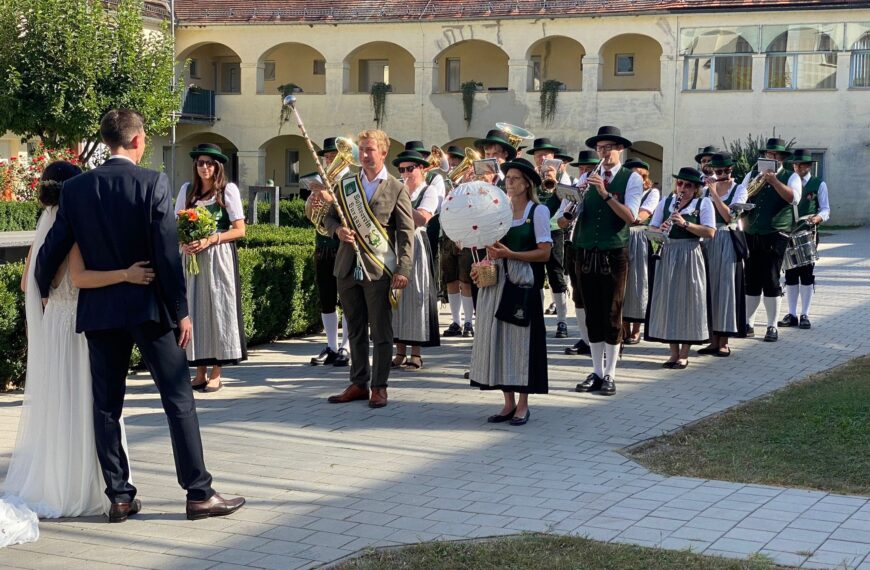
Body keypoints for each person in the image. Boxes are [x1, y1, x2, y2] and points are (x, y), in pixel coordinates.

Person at [34, 109, 244, 522]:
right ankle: (198, 493)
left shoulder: (77, 189)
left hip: (100, 313)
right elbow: (166, 252)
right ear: (136, 140)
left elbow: (52, 249)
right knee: (178, 399)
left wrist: (43, 291)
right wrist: (180, 311)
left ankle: (120, 496)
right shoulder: (153, 182)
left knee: (106, 406)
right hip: (149, 308)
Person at [1, 161, 145, 544]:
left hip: (55, 326)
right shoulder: (73, 226)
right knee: (92, 405)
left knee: (59, 405)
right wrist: (126, 274)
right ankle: (92, 487)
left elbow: (25, 281)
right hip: (79, 326)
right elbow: (80, 278)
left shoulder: (44, 224)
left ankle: (57, 479)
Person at [323, 129, 414, 409]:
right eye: (361, 149)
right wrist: (338, 230)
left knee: (382, 332)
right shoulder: (346, 183)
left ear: (383, 153)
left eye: (370, 149)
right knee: (355, 329)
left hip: (379, 268)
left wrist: (403, 268)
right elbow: (328, 219)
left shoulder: (396, 188)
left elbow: (406, 232)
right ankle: (359, 382)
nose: (364, 154)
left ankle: (379, 386)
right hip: (347, 267)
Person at [469, 158, 552, 426]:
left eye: (515, 178)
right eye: (509, 178)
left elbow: (545, 253)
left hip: (522, 283)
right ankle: (507, 403)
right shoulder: (500, 210)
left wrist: (511, 254)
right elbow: (491, 249)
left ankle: (523, 405)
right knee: (499, 340)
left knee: (521, 342)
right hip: (496, 282)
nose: (509, 182)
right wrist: (481, 264)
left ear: (527, 183)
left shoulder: (537, 211)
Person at [572, 126, 643, 396]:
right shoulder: (588, 177)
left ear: (620, 150)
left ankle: (611, 373)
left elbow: (631, 217)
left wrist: (604, 193)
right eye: (600, 149)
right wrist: (569, 209)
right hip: (586, 251)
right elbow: (570, 215)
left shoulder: (631, 179)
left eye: (609, 148)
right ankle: (597, 371)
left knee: (612, 313)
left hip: (614, 253)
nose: (604, 153)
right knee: (592, 314)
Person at [175, 143, 248, 392]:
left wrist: (210, 239)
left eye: (209, 163)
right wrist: (184, 242)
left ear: (217, 166)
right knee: (194, 308)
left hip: (218, 256)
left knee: (218, 308)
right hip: (193, 257)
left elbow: (240, 230)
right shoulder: (187, 191)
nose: (204, 167)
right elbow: (176, 225)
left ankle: (217, 371)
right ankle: (199, 371)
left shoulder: (227, 191)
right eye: (200, 163)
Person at [647, 167, 716, 368]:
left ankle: (684, 354)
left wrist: (685, 224)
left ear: (695, 189)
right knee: (669, 301)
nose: (682, 188)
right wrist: (659, 230)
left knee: (689, 301)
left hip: (690, 253)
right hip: (668, 253)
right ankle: (672, 353)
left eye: (688, 185)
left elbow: (710, 232)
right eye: (680, 184)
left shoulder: (703, 203)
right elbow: (652, 227)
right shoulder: (666, 202)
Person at [740, 138, 802, 342]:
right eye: (768, 154)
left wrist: (774, 181)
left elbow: (793, 199)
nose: (770, 158)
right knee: (751, 279)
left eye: (774, 155)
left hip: (776, 233)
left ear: (781, 158)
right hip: (752, 232)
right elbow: (742, 196)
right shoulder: (752, 174)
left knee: (771, 279)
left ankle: (771, 325)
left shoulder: (791, 176)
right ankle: (748, 323)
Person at [390, 150, 443, 369]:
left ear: (421, 169)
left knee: (416, 296)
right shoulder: (399, 189)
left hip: (416, 243)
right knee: (396, 297)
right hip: (395, 243)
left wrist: (401, 201)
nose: (405, 173)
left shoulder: (429, 191)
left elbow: (422, 218)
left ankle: (416, 354)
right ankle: (399, 351)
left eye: (410, 169)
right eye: (401, 170)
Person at [697, 153, 748, 357]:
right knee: (709, 287)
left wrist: (714, 193)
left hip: (727, 237)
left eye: (724, 171)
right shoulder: (704, 190)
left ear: (730, 171)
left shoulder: (740, 189)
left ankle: (724, 341)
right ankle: (712, 340)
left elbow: (729, 216)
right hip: (709, 238)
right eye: (717, 171)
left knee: (726, 288)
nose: (720, 174)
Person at [307, 137, 351, 367]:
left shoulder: (350, 181)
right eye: (327, 157)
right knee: (326, 298)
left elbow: (351, 213)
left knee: (347, 298)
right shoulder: (322, 181)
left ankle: (347, 345)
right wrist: (313, 200)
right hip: (323, 246)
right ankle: (331, 345)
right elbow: (311, 214)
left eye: (334, 156)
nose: (330, 160)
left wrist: (329, 199)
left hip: (344, 247)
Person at [777, 149, 830, 330]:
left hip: (807, 232)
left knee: (806, 274)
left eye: (802, 164)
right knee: (790, 274)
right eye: (796, 164)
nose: (798, 167)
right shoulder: (788, 181)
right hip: (787, 232)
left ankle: (805, 314)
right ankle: (791, 314)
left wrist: (817, 218)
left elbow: (825, 209)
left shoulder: (818, 184)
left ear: (809, 166)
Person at [527, 138, 571, 338]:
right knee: (535, 275)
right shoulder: (531, 176)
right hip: (534, 228)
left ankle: (562, 321)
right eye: (538, 154)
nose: (542, 157)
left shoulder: (564, 177)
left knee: (556, 274)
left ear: (554, 157)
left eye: (547, 154)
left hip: (554, 229)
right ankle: (537, 319)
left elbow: (566, 204)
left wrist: (555, 181)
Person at [561, 150, 600, 356]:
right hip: (574, 244)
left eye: (589, 169)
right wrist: (572, 204)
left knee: (596, 297)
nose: (585, 172)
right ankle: (585, 339)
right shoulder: (577, 187)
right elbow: (560, 219)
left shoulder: (602, 188)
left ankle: (599, 340)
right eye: (582, 169)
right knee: (578, 295)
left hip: (594, 247)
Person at [621, 158, 661, 345]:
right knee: (620, 282)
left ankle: (636, 328)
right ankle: (623, 325)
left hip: (639, 237)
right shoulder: (622, 190)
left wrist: (621, 209)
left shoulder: (652, 192)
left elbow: (639, 216)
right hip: (620, 235)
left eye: (641, 174)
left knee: (637, 282)